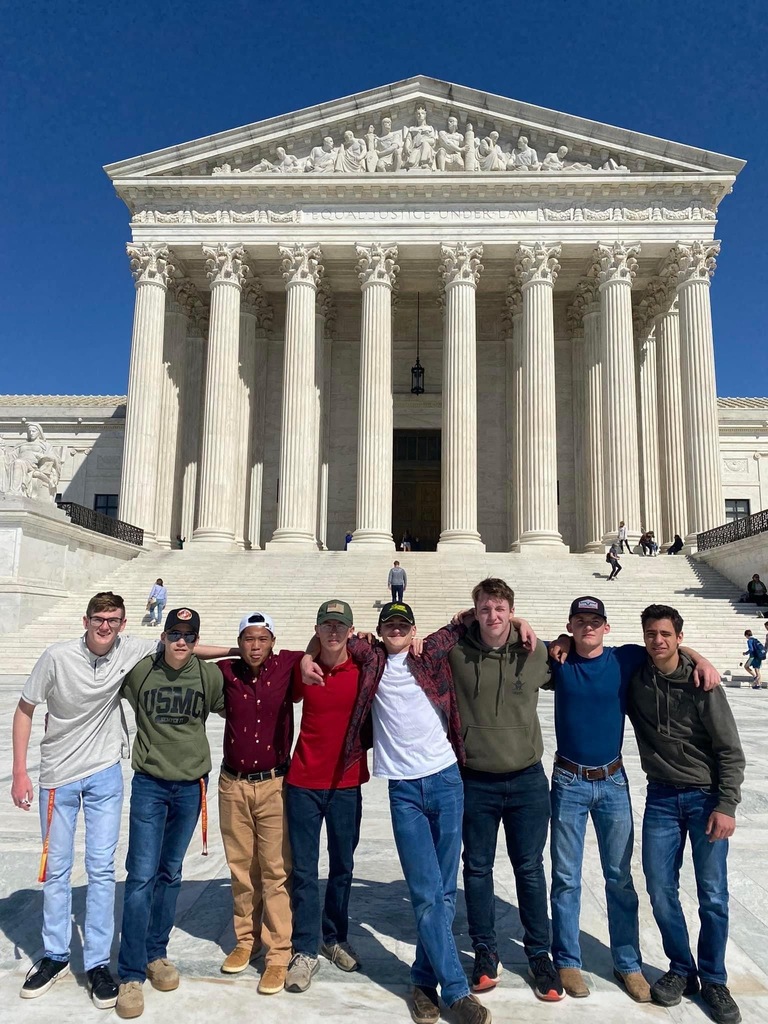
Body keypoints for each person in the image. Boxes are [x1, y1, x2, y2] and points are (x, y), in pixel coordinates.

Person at [318, 601, 491, 1024]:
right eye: (389, 625)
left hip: (446, 780)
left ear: (414, 630)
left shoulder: (430, 652)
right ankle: (455, 991)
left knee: (443, 893)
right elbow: (328, 637)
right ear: (379, 631)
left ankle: (421, 981)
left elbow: (467, 619)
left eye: (403, 625)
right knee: (427, 892)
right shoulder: (370, 656)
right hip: (404, 793)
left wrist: (515, 619)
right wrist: (307, 655)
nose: (396, 630)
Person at [547, 601, 720, 1001]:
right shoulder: (558, 660)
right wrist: (556, 640)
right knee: (566, 877)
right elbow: (514, 636)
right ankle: (568, 960)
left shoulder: (624, 659)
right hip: (569, 780)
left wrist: (701, 658)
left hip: (612, 781)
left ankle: (628, 964)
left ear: (606, 627)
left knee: (619, 878)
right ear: (570, 626)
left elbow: (668, 649)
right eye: (579, 622)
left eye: (594, 622)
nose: (587, 628)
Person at [11, 593, 166, 1009]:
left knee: (100, 868)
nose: (105, 626)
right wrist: (21, 772)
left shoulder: (128, 648)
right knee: (57, 869)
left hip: (104, 774)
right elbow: (25, 709)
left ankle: (98, 962)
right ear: (86, 620)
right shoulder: (56, 656)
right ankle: (55, 955)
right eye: (99, 619)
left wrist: (243, 647)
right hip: (58, 776)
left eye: (113, 620)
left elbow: (180, 642)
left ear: (122, 623)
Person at [448, 579, 563, 1002]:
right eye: (484, 609)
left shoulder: (534, 651)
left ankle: (539, 955)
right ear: (474, 611)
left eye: (500, 609)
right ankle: (484, 951)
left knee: (530, 869)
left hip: (527, 780)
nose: (492, 616)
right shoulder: (456, 653)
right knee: (476, 869)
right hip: (475, 779)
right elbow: (410, 646)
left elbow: (577, 651)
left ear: (510, 612)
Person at [629, 604, 745, 1024]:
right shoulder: (637, 677)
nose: (657, 641)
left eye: (665, 634)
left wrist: (726, 804)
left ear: (678, 636)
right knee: (660, 889)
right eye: (650, 634)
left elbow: (730, 749)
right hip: (661, 796)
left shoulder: (703, 684)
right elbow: (593, 651)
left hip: (705, 798)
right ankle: (682, 969)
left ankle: (714, 978)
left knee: (712, 894)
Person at [116, 607, 226, 1019]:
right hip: (150, 784)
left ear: (198, 641)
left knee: (171, 872)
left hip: (191, 785)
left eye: (190, 636)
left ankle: (156, 953)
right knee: (141, 875)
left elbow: (240, 705)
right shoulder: (140, 672)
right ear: (163, 636)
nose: (182, 642)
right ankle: (129, 972)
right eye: (175, 634)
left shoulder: (207, 675)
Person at [217, 612, 305, 993]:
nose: (255, 646)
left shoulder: (286, 664)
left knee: (274, 869)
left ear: (273, 641)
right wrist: (229, 648)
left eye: (262, 639)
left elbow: (323, 645)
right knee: (240, 867)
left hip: (273, 784)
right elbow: (175, 650)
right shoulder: (225, 671)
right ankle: (245, 940)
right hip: (232, 783)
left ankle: (278, 951)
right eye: (248, 639)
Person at [285, 600, 369, 993]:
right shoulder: (303, 671)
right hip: (303, 782)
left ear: (351, 631)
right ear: (316, 630)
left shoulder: (365, 670)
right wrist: (304, 656)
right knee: (303, 870)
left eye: (340, 626)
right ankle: (304, 948)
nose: (333, 632)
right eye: (326, 626)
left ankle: (333, 937)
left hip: (346, 783)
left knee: (343, 867)